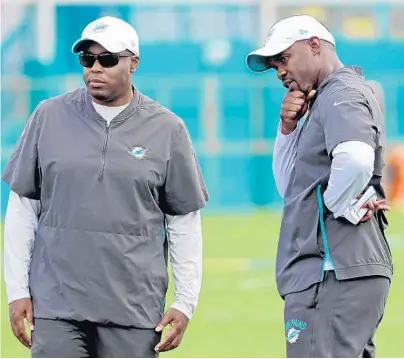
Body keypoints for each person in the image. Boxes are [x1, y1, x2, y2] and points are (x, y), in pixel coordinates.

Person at [3, 16, 208, 358]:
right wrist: (16, 291)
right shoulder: (48, 116)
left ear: (133, 63)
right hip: (56, 305)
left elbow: (183, 223)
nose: (95, 68)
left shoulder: (168, 129)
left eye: (108, 59)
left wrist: (185, 302)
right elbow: (22, 209)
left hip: (133, 309)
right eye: (87, 59)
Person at [246, 15, 392, 357]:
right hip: (337, 270)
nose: (279, 71)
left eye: (283, 59)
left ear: (315, 46)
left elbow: (356, 157)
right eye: (273, 65)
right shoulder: (322, 98)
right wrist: (288, 128)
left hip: (331, 270)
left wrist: (338, 204)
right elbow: (290, 189)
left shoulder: (340, 92)